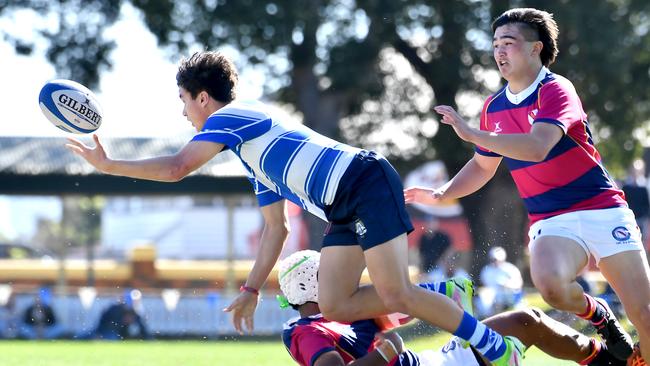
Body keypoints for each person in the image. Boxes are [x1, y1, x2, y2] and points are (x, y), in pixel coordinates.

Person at [66, 50, 522, 365]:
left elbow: (176, 168)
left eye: (184, 102)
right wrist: (248, 289)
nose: (184, 113)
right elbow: (276, 229)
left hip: (361, 181)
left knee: (397, 292)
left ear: (203, 97)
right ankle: (440, 298)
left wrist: (108, 166)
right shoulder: (250, 152)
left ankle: (496, 348)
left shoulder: (233, 116)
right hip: (342, 204)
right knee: (336, 304)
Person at [404, 7, 650, 361]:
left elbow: (537, 146)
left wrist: (473, 132)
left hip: (603, 210)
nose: (499, 51)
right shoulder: (493, 106)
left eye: (509, 42)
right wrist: (444, 193)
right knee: (550, 287)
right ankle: (600, 316)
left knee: (644, 316)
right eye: (495, 44)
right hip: (552, 219)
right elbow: (482, 165)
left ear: (536, 48)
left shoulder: (556, 88)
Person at [278, 249, 637, 366]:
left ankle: (604, 359)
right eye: (332, 272)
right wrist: (386, 351)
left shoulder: (345, 307)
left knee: (527, 320)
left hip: (428, 361)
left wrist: (444, 293)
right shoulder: (304, 330)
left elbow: (404, 304)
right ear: (313, 283)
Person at [478, 246, 524, 317]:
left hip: (509, 295)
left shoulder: (510, 269)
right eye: (493, 260)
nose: (495, 262)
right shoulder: (486, 270)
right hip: (492, 297)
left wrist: (506, 285)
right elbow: (484, 285)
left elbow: (518, 284)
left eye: (496, 260)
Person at [77, 298, 150, 340]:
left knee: (112, 337)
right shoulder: (114, 309)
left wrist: (149, 339)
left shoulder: (136, 313)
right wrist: (99, 333)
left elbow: (142, 329)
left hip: (116, 335)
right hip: (103, 331)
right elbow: (104, 322)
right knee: (85, 337)